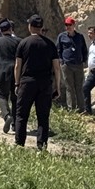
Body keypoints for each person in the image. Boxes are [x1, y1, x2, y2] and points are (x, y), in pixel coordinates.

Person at [14, 14, 60, 149]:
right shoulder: (50, 44)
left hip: (27, 81)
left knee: (22, 114)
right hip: (45, 83)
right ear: (41, 28)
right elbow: (57, 68)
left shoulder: (23, 43)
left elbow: (18, 65)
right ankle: (41, 145)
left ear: (30, 26)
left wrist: (17, 83)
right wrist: (57, 87)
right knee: (43, 116)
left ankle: (19, 143)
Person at [0, 20, 21, 134]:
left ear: (0, 31)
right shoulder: (19, 41)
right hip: (16, 71)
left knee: (2, 96)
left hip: (2, 70)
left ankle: (7, 115)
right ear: (11, 29)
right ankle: (15, 124)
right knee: (15, 97)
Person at [56, 17, 88, 113]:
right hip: (67, 65)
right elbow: (58, 50)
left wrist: (84, 60)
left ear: (74, 25)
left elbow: (84, 49)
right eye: (66, 25)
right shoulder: (61, 37)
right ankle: (71, 109)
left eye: (70, 25)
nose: (68, 27)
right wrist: (62, 61)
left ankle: (82, 108)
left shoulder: (80, 37)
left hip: (78, 64)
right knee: (69, 87)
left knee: (79, 87)